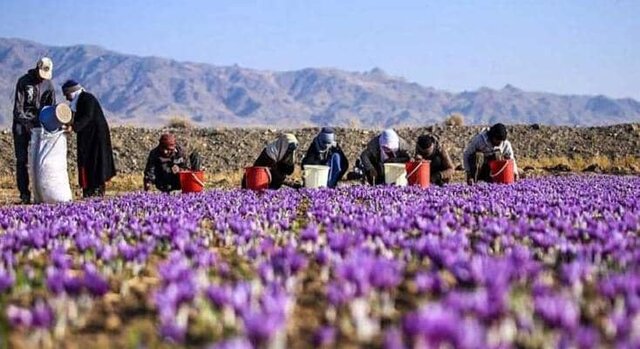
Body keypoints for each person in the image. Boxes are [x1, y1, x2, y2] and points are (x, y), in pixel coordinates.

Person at [12, 57, 56, 204]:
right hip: (21, 126)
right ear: (37, 68)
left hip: (39, 127)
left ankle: (42, 192)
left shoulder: (49, 86)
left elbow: (51, 108)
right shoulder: (23, 82)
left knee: (42, 160)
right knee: (22, 160)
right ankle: (24, 193)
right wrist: (27, 123)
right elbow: (18, 109)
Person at [62, 80, 116, 198]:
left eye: (67, 95)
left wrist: (74, 127)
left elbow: (87, 116)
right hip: (87, 138)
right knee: (87, 163)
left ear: (73, 92)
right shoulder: (80, 101)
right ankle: (88, 190)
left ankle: (96, 190)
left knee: (96, 163)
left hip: (96, 137)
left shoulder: (87, 99)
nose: (67, 98)